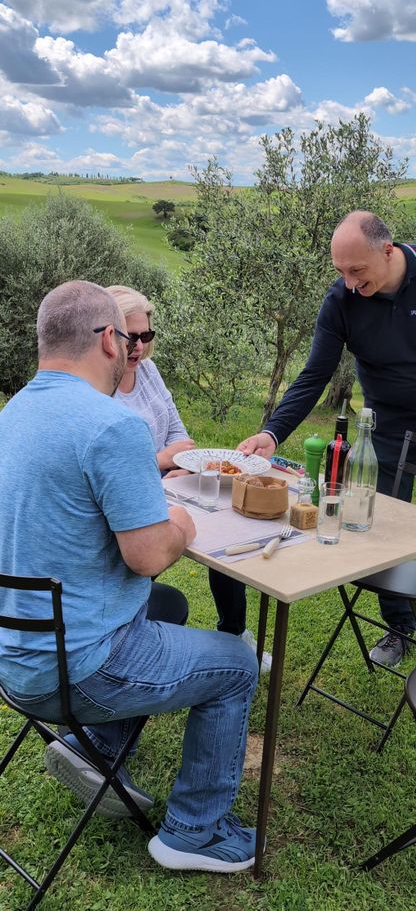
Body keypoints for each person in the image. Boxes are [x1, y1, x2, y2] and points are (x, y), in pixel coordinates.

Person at [0, 280, 259, 873]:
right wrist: (182, 525)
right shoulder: (111, 426)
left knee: (165, 605)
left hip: (13, 655)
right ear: (108, 340)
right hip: (75, 670)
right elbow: (148, 555)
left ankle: (94, 745)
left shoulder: (14, 413)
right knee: (236, 664)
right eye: (127, 337)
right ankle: (193, 833)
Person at [239, 211, 416, 667]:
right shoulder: (341, 300)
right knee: (381, 528)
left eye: (357, 270)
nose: (349, 282)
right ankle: (398, 625)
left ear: (388, 250)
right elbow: (315, 374)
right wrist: (272, 431)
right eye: (340, 271)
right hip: (388, 430)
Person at [106, 284, 271, 670]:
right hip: (132, 496)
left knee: (226, 528)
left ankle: (234, 632)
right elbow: (112, 467)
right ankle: (127, 635)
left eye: (147, 335)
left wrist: (176, 463)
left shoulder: (148, 371)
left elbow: (179, 431)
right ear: (108, 335)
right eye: (131, 337)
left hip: (170, 482)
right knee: (149, 553)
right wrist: (163, 460)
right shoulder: (99, 384)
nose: (139, 347)